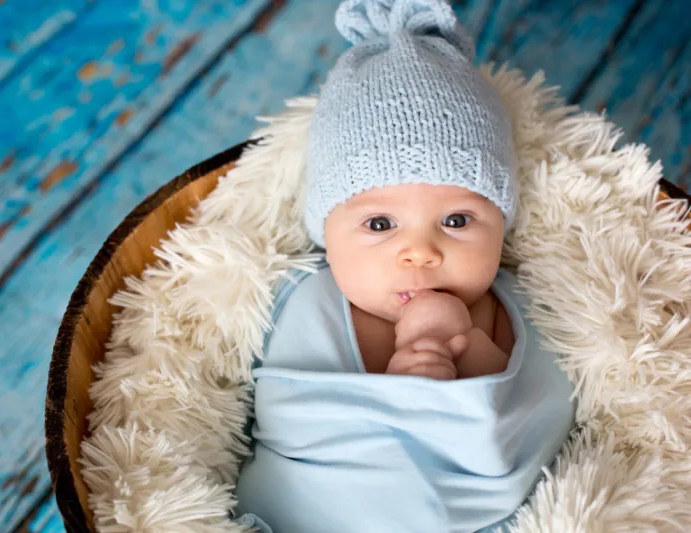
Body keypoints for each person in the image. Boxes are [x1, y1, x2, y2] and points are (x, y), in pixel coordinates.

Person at [235, 1, 577, 531]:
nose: (420, 251)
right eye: (379, 225)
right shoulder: (295, 296)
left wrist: (470, 367)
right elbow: (227, 399)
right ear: (327, 231)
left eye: (458, 219)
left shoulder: (532, 307)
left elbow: (546, 421)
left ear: (502, 223)